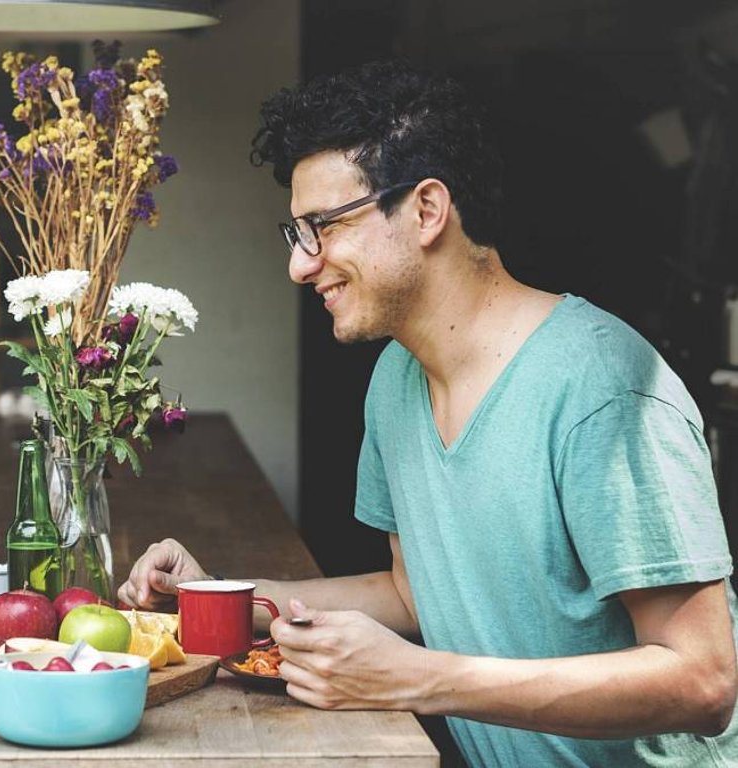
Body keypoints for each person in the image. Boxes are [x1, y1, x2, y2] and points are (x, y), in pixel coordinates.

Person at [118, 60, 738, 766]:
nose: (300, 264)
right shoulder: (397, 378)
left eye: (321, 226)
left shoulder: (602, 389)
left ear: (426, 210)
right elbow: (414, 596)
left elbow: (704, 680)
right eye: (297, 235)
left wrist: (422, 678)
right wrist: (218, 595)